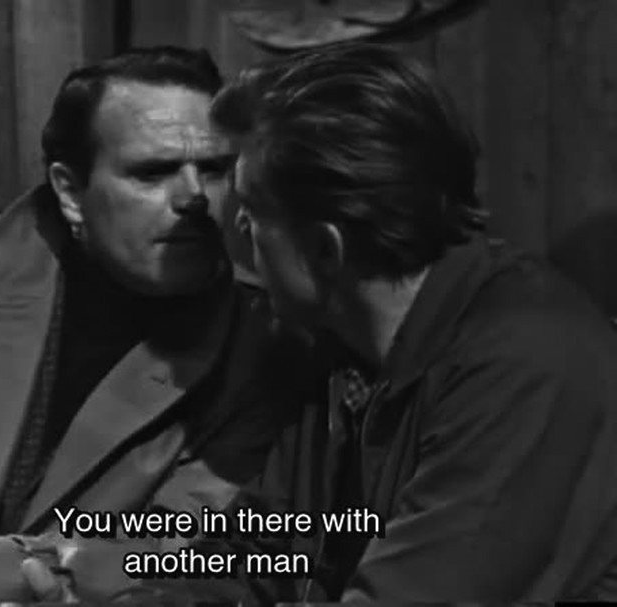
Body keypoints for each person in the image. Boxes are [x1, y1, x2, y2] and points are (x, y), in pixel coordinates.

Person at [0, 46, 317, 604]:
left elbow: (191, 551)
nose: (194, 197)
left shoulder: (265, 340)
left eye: (214, 169)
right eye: (151, 173)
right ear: (70, 191)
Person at [211, 43, 617, 602]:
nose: (237, 227)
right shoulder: (340, 350)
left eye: (253, 211)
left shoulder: (528, 359)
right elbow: (256, 550)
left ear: (325, 250)